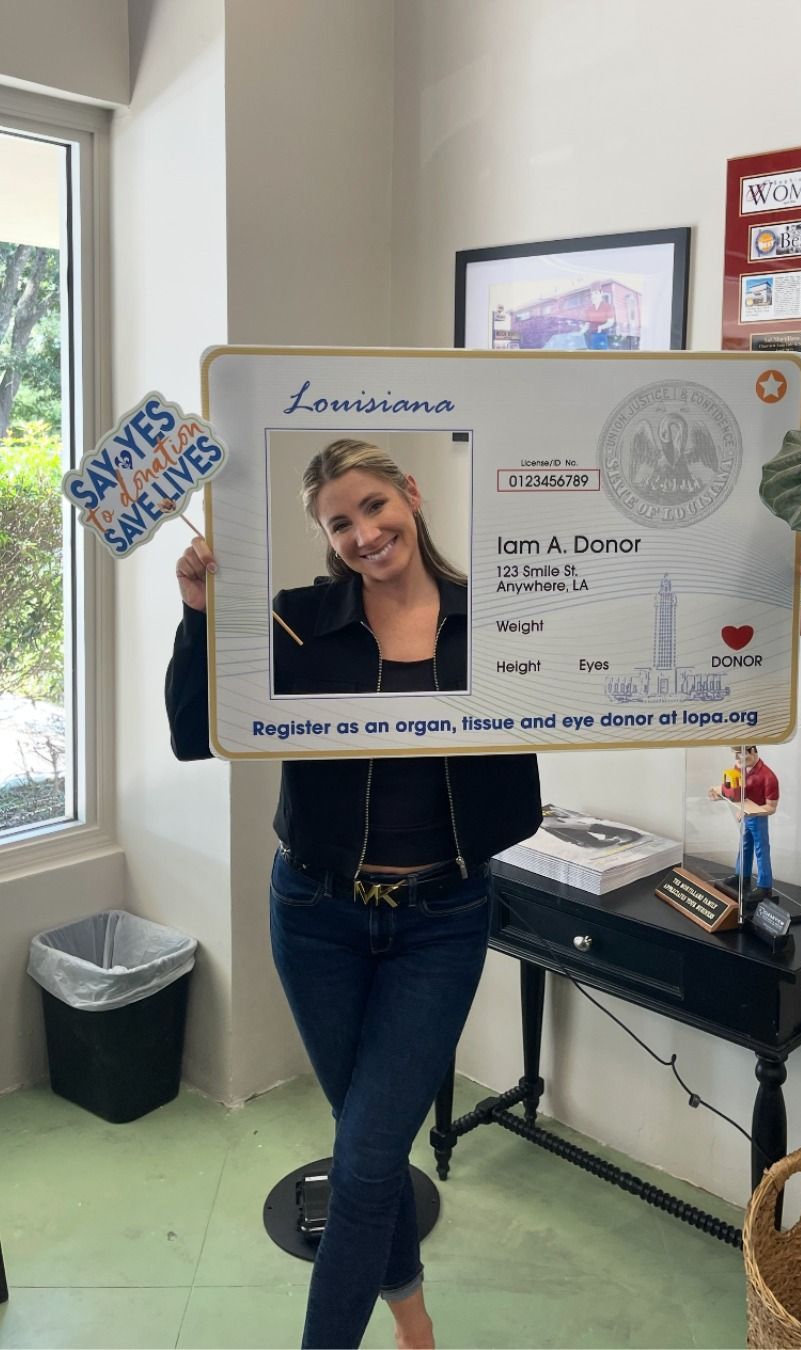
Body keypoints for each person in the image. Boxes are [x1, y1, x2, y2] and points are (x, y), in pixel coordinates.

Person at [166, 438, 542, 1350]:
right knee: (367, 1145)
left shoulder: (497, 617)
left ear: (410, 494)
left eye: (374, 506)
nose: (365, 534)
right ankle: (413, 1319)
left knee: (366, 1159)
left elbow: (574, 704)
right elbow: (190, 733)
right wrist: (198, 617)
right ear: (326, 538)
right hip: (315, 914)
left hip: (441, 921)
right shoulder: (297, 622)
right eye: (340, 523)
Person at [708, 745, 779, 900]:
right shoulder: (740, 768)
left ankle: (765, 886)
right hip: (746, 816)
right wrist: (720, 792)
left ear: (752, 751)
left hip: (758, 817)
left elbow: (771, 807)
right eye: (735, 754)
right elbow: (735, 789)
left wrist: (750, 811)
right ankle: (742, 876)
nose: (736, 759)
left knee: (761, 851)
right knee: (744, 846)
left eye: (740, 754)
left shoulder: (768, 777)